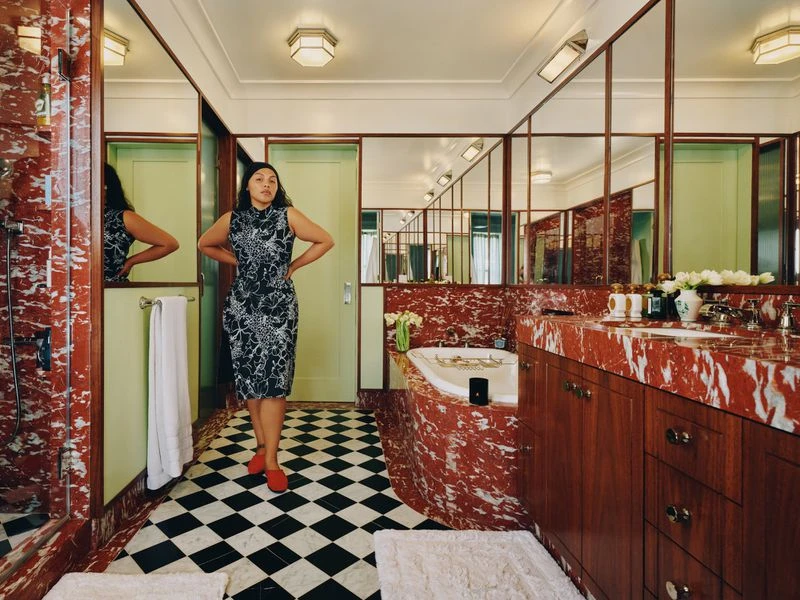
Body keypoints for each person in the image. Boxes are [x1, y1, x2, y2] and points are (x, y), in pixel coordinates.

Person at [198, 162, 334, 493]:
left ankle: (272, 459)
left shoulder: (288, 215)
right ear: (247, 186)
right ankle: (260, 447)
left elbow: (324, 240)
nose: (266, 184)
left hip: (279, 307)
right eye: (259, 179)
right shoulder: (232, 219)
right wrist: (239, 262)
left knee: (274, 382)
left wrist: (294, 265)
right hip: (242, 307)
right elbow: (205, 244)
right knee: (250, 379)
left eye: (272, 180)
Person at [103, 163, 180, 282]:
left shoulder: (122, 217)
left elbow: (169, 244)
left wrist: (131, 261)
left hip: (112, 288)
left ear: (106, 187)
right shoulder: (76, 219)